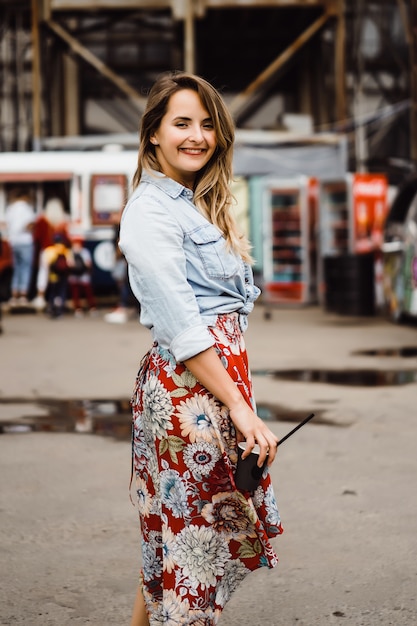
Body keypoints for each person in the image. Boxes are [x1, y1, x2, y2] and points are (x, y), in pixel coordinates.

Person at [118, 71, 283, 626]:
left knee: (175, 542)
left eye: (208, 124)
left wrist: (238, 398)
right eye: (182, 122)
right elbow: (184, 326)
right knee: (192, 549)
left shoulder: (192, 205)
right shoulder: (150, 211)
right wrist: (238, 406)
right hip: (189, 390)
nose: (198, 135)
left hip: (210, 383)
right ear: (153, 136)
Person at [4, 187, 35, 306]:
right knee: (25, 268)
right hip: (25, 241)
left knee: (16, 269)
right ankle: (23, 296)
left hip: (14, 242)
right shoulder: (27, 208)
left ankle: (14, 295)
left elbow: (6, 223)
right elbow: (29, 224)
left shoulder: (11, 209)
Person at [36, 233, 72, 318]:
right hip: (63, 275)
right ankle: (60, 309)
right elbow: (70, 263)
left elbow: (45, 264)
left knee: (53, 292)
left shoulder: (49, 250)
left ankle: (52, 308)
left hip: (53, 275)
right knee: (61, 292)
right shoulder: (65, 250)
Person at [67, 236, 97, 317]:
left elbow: (88, 264)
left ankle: (92, 308)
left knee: (88, 292)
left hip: (84, 275)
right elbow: (69, 264)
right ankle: (78, 309)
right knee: (75, 293)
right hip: (74, 275)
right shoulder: (69, 252)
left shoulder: (84, 252)